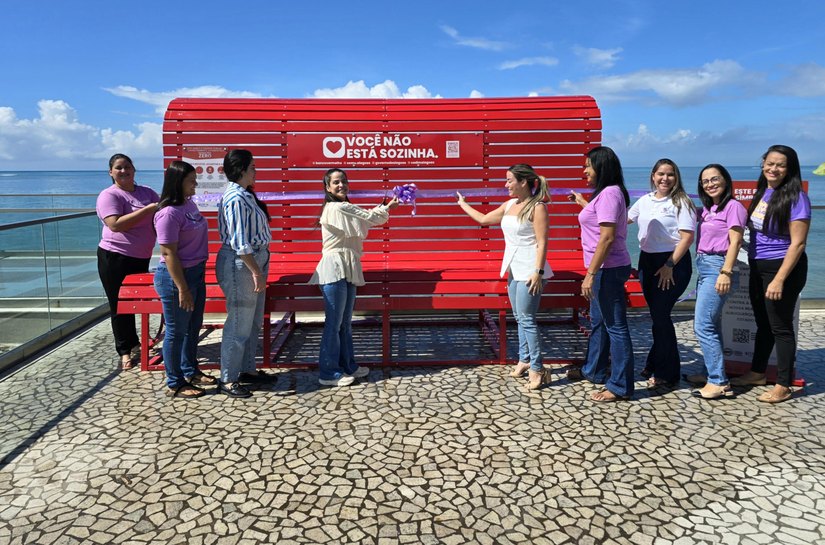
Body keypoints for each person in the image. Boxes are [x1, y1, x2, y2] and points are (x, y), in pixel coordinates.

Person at [457, 164, 553, 390]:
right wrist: (463, 204)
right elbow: (483, 219)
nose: (506, 184)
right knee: (519, 318)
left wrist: (538, 273)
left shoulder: (537, 207)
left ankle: (538, 369)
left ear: (523, 182)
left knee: (527, 319)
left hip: (531, 270)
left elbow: (542, 243)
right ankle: (523, 360)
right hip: (513, 267)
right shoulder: (510, 204)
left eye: (510, 180)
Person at [731, 145, 810, 403]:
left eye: (780, 165)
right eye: (769, 163)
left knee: (781, 327)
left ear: (790, 169)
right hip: (757, 264)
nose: (773, 169)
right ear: (763, 163)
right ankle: (757, 372)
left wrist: (779, 279)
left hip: (782, 268)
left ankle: (784, 384)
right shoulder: (764, 192)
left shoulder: (796, 197)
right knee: (763, 323)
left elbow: (797, 243)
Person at [309, 168, 399, 387]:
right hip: (333, 269)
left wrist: (384, 208)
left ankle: (348, 365)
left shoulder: (346, 210)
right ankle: (329, 373)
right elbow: (368, 217)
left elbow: (365, 219)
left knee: (345, 323)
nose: (342, 185)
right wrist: (388, 207)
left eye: (344, 182)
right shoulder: (335, 208)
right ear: (328, 188)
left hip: (348, 267)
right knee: (334, 323)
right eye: (336, 182)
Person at [567, 146, 635, 402]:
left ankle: (620, 385)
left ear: (601, 167)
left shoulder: (609, 194)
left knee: (615, 326)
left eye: (588, 165)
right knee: (599, 322)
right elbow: (600, 223)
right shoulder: (607, 194)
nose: (584, 170)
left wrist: (590, 274)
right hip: (607, 267)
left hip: (608, 268)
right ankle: (594, 370)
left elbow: (606, 238)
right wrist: (583, 203)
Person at [628, 159, 696, 388]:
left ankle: (668, 372)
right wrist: (586, 207)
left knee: (661, 316)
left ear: (676, 178)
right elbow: (621, 221)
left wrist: (669, 265)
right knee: (657, 317)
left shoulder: (681, 202)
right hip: (647, 261)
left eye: (670, 174)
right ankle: (655, 361)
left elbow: (687, 238)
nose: (665, 179)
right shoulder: (645, 201)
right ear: (653, 175)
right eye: (660, 174)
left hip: (673, 262)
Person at [153, 161, 216, 398]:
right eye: (191, 180)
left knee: (192, 327)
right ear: (178, 183)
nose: (196, 184)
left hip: (196, 273)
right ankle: (175, 381)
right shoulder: (168, 213)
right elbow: (169, 253)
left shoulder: (189, 205)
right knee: (176, 331)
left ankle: (191, 370)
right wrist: (182, 288)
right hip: (176, 278)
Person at [215, 149, 272, 398]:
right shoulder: (236, 198)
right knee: (239, 323)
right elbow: (240, 242)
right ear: (240, 170)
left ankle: (246, 369)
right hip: (244, 264)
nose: (255, 172)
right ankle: (228, 378)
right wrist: (256, 272)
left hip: (254, 261)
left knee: (253, 321)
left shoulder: (245, 195)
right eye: (252, 168)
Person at [96, 153, 159, 370]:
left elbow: (164, 212)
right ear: (111, 172)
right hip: (114, 257)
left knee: (136, 302)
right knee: (120, 305)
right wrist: (148, 209)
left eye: (127, 166)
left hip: (141, 256)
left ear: (134, 169)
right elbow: (115, 225)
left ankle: (136, 343)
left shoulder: (147, 192)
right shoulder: (109, 195)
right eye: (119, 168)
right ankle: (125, 350)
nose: (124, 171)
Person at [691, 164, 747, 399]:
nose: (710, 184)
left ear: (726, 181)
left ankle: (719, 381)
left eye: (715, 179)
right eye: (705, 181)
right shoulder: (708, 208)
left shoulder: (733, 206)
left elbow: (735, 242)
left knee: (702, 325)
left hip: (718, 267)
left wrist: (726, 272)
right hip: (704, 265)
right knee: (712, 324)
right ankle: (710, 372)